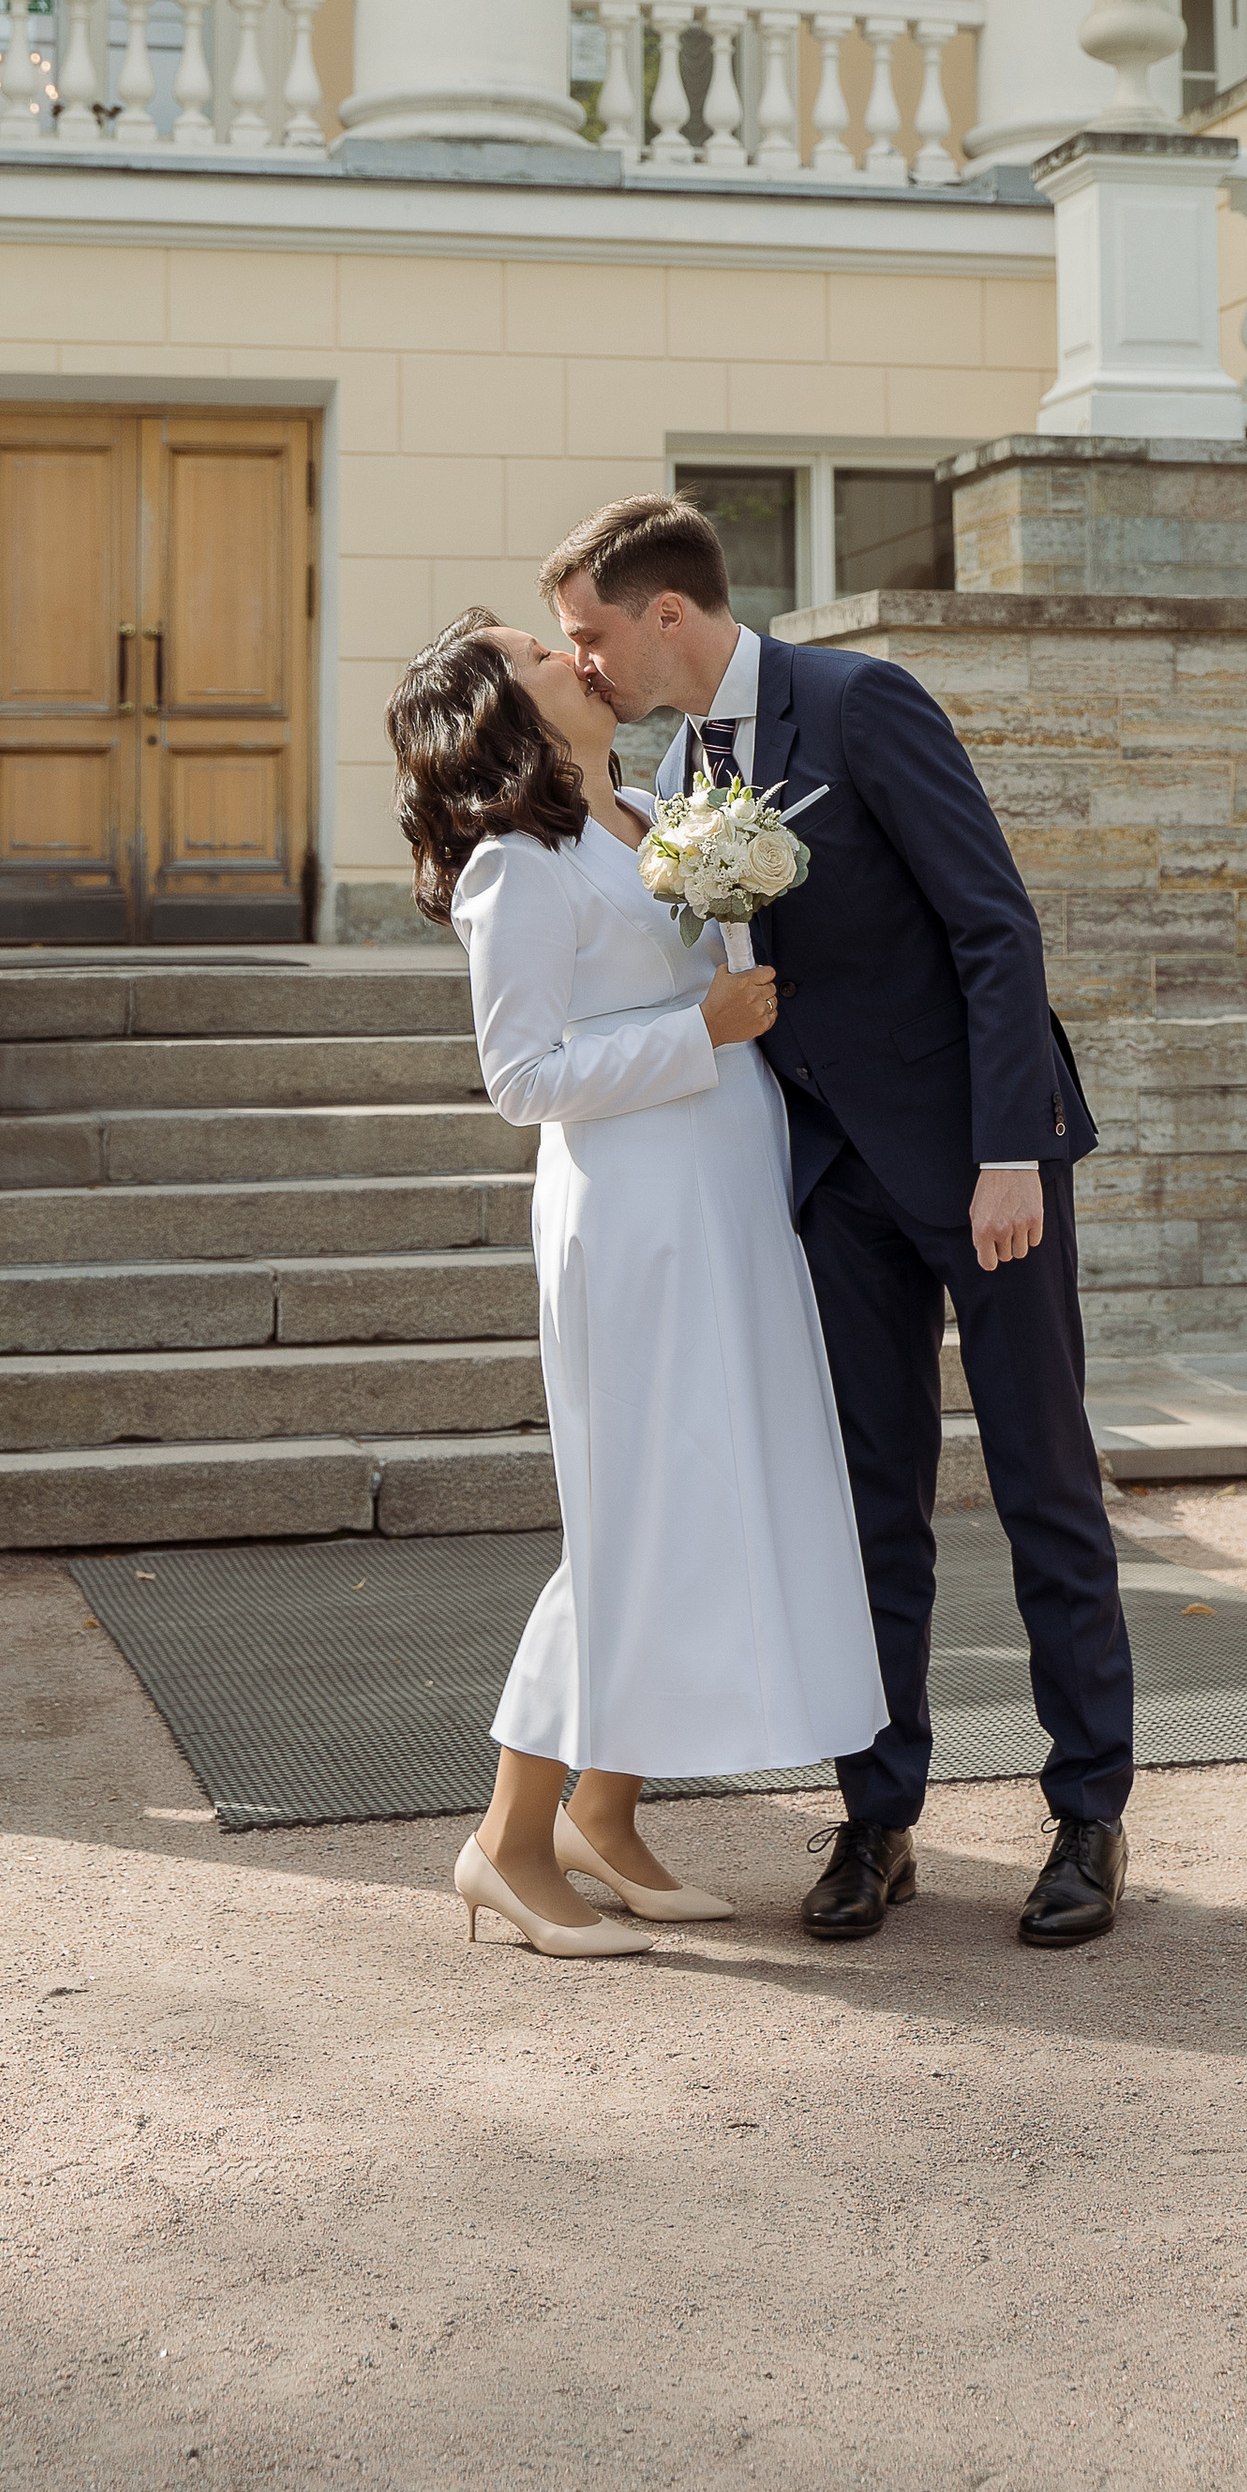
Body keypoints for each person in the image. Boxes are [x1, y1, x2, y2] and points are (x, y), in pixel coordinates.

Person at [538, 494, 1136, 1951]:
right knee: (873, 1504)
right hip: (830, 1185)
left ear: (664, 614)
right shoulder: (682, 766)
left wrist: (1010, 1153)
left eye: (590, 636)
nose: (587, 665)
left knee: (1043, 1478)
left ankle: (1088, 1815)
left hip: (982, 1163)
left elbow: (995, 927)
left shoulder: (860, 703)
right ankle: (879, 1816)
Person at [385, 609, 887, 1960]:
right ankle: (508, 1838)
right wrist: (698, 1029)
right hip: (635, 1214)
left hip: (729, 1191)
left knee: (707, 1499)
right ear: (511, 706)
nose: (579, 658)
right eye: (544, 653)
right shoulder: (516, 864)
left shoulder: (657, 811)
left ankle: (604, 1813)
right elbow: (523, 1082)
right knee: (633, 1517)